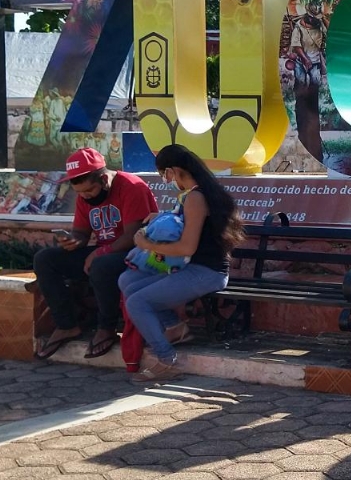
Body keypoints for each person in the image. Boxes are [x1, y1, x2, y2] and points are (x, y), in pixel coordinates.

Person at [119, 144, 243, 381]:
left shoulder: (196, 197)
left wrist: (147, 245)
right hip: (193, 267)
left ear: (174, 171)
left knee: (137, 302)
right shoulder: (193, 194)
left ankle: (166, 359)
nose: (165, 180)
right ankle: (175, 326)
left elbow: (187, 247)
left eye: (164, 174)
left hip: (206, 272)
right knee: (129, 283)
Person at [33, 147, 158, 360]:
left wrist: (101, 252)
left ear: (103, 178)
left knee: (101, 265)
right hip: (105, 252)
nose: (84, 197)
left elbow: (133, 236)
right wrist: (73, 240)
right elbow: (82, 232)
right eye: (79, 193)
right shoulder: (85, 195)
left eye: (89, 191)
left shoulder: (131, 187)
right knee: (45, 259)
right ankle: (66, 324)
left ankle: (107, 327)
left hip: (138, 253)